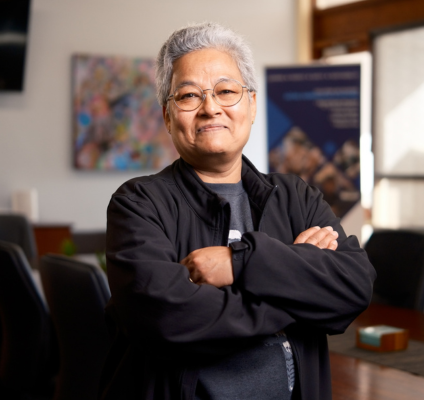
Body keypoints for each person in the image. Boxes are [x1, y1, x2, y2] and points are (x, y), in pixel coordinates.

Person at [99, 22, 376, 400]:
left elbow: (355, 285)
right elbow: (167, 320)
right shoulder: (139, 203)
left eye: (226, 91)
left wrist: (239, 263)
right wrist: (299, 291)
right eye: (189, 96)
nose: (210, 108)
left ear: (252, 104)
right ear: (167, 116)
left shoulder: (296, 195)